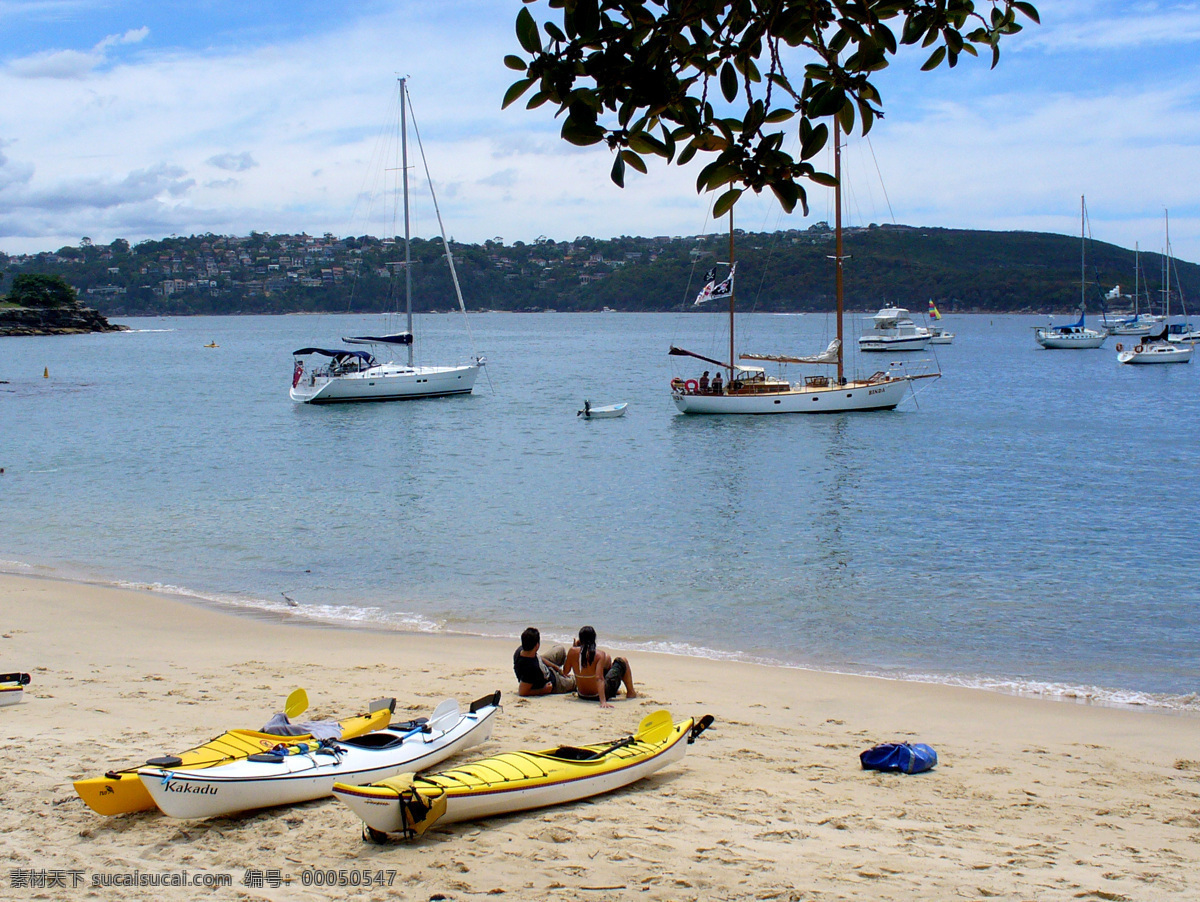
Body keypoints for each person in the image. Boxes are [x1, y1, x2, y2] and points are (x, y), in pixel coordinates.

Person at [563, 625, 636, 709]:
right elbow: (599, 678)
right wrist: (603, 701)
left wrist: (574, 649)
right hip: (596, 696)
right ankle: (631, 692)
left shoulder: (572, 651)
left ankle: (617, 691)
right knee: (622, 660)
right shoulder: (599, 655)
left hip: (582, 694)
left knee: (607, 659)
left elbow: (565, 672)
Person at [513, 627, 576, 697]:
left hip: (544, 669)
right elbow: (522, 692)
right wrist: (544, 690)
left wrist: (557, 668)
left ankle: (568, 665)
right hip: (553, 682)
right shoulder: (530, 668)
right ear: (537, 645)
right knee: (575, 681)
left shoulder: (521, 650)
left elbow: (539, 658)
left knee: (560, 650)